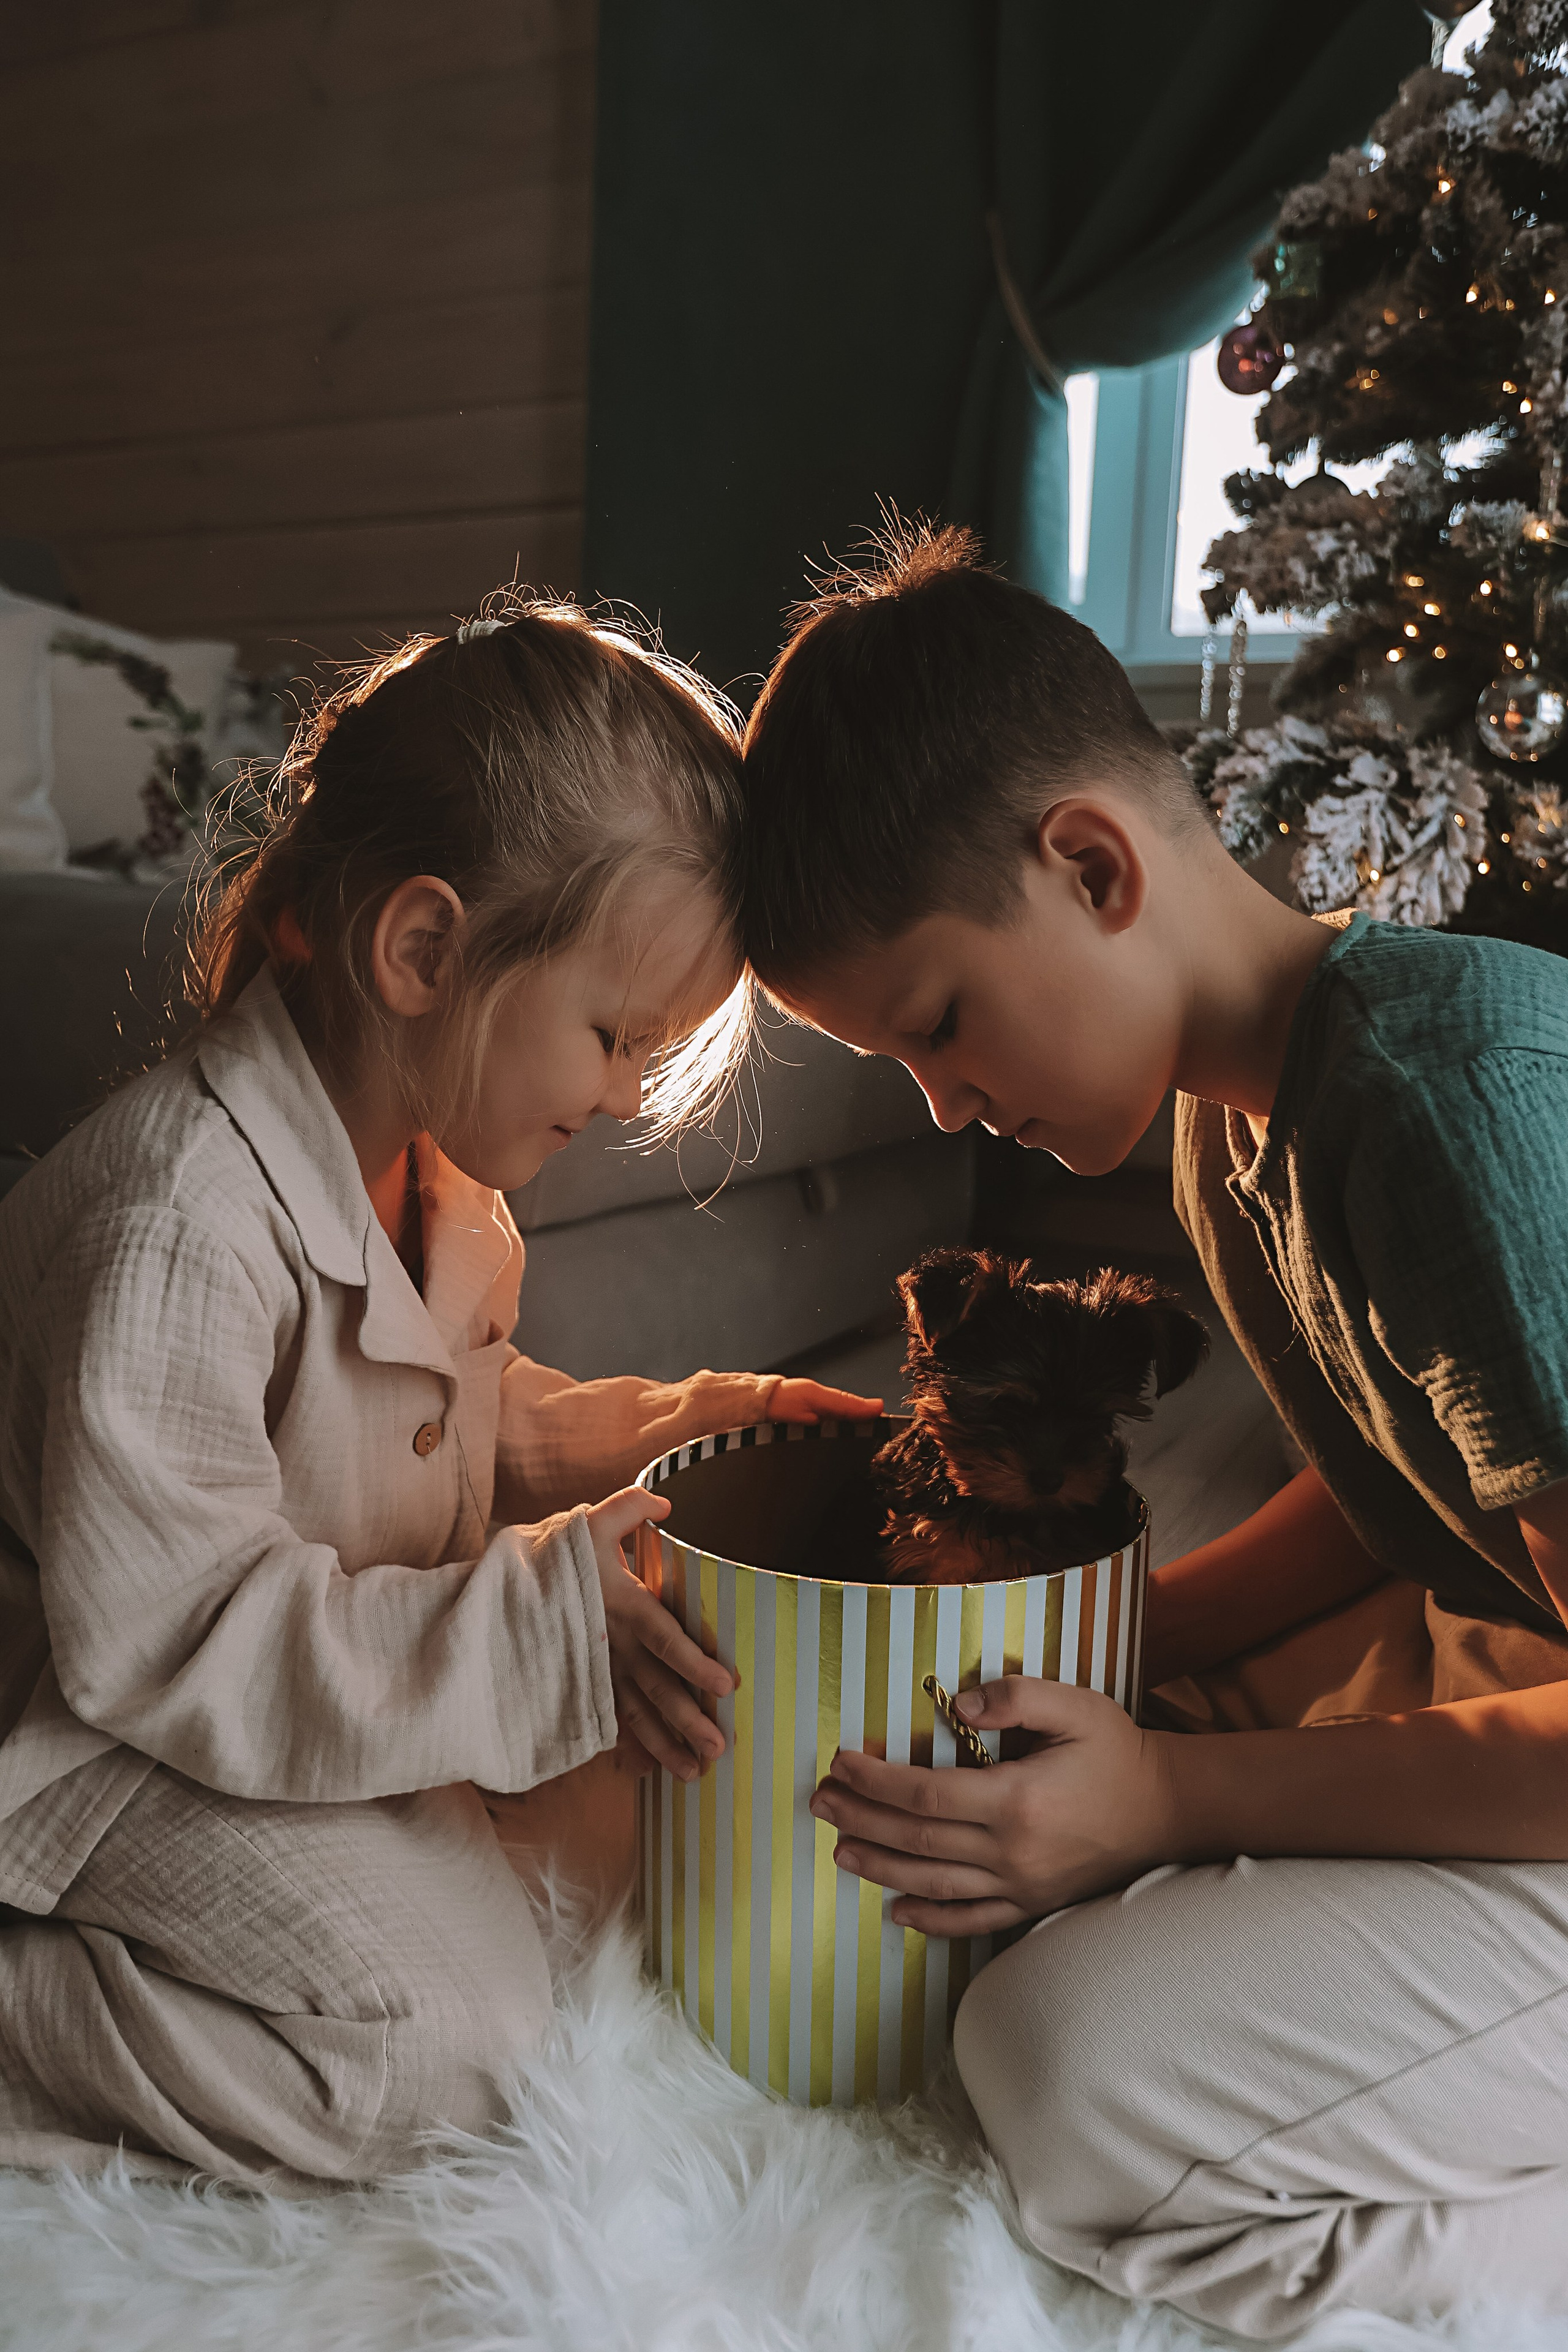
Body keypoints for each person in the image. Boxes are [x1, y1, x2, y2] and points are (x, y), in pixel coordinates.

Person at [737, 522, 1568, 2340]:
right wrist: (1133, 1645)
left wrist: (1175, 1793)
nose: (947, 1100)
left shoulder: (1436, 1110)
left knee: (1061, 2062)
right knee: (1030, 1892)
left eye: (942, 1026)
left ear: (1092, 865)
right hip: (1511, 1657)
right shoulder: (1224, 1122)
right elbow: (1412, 1477)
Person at [0, 597, 878, 2187]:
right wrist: (538, 1626)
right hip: (86, 1739)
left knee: (628, 1846)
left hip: (264, 1685)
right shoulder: (176, 1220)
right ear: (421, 949)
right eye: (613, 1037)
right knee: (441, 2052)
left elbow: (449, 1416)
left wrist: (666, 1432)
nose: (622, 1096)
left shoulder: (433, 1185)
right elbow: (164, 1634)